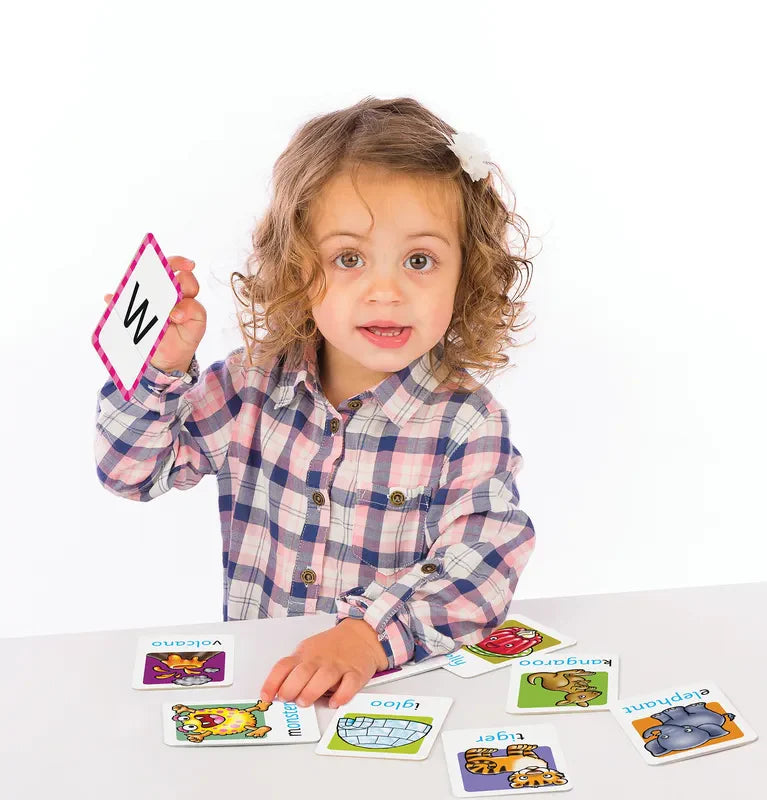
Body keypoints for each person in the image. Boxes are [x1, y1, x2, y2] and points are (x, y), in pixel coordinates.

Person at [94, 96, 537, 710]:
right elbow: (130, 473)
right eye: (348, 258)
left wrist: (366, 635)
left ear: (467, 275)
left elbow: (483, 562)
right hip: (266, 694)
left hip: (394, 701)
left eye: (420, 260)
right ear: (298, 268)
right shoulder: (251, 386)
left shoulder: (467, 420)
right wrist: (159, 367)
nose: (386, 291)